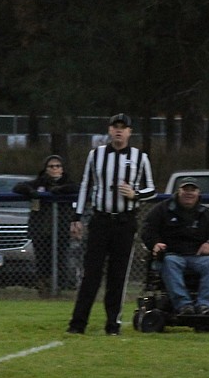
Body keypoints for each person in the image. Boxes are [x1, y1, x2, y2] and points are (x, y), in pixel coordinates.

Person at [67, 114, 156, 335]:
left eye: (123, 128)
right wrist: (76, 217)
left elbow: (152, 190)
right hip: (100, 220)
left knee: (118, 276)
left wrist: (135, 194)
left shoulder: (140, 157)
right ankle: (78, 324)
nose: (119, 131)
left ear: (129, 132)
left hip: (124, 222)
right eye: (115, 127)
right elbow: (85, 185)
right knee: (91, 274)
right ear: (109, 130)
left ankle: (112, 325)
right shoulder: (95, 155)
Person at [140, 179, 209, 314]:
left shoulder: (205, 214)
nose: (189, 193)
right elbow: (147, 230)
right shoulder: (162, 210)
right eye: (185, 189)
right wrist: (155, 244)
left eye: (192, 190)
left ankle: (205, 305)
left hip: (197, 257)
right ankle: (183, 305)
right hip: (171, 256)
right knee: (170, 262)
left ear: (198, 193)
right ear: (178, 191)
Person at [14, 154, 79, 292]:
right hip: (41, 231)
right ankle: (43, 287)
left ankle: (59, 289)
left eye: (58, 166)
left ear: (62, 169)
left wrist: (59, 190)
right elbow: (18, 187)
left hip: (61, 230)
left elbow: (76, 188)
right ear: (45, 169)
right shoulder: (39, 183)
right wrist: (31, 192)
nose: (54, 169)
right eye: (51, 166)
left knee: (61, 260)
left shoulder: (69, 184)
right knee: (42, 261)